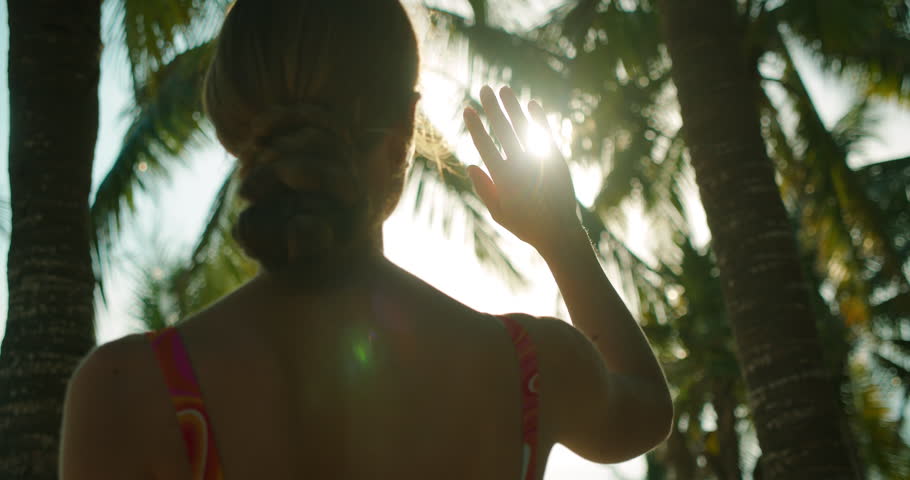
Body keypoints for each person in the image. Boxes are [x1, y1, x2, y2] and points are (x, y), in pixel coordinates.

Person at [59, 1, 672, 479]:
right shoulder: (530, 370)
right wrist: (562, 239)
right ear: (406, 125)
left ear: (233, 127)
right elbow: (646, 408)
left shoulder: (127, 392)